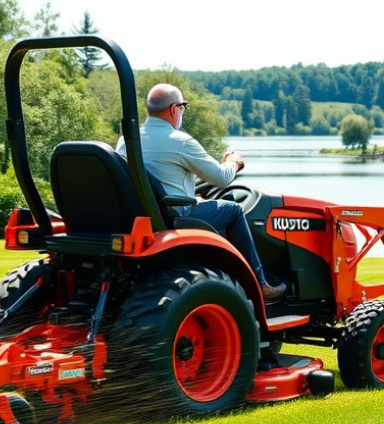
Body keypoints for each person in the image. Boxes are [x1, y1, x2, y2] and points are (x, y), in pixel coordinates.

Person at [116, 83, 286, 300]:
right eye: (182, 108)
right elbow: (222, 178)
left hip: (143, 214)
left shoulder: (126, 141)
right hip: (174, 216)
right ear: (174, 109)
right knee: (233, 210)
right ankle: (260, 284)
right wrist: (234, 162)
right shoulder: (180, 142)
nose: (182, 113)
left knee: (205, 202)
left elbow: (153, 180)